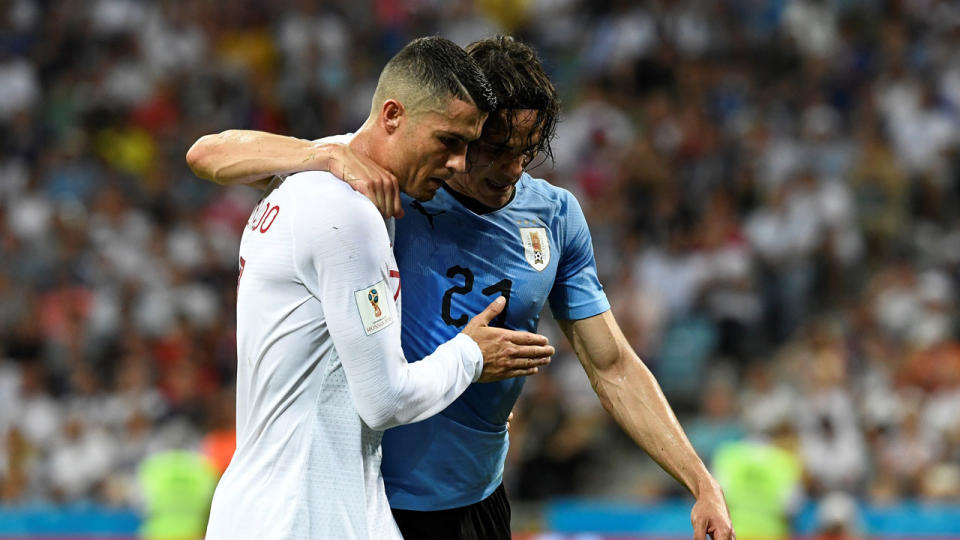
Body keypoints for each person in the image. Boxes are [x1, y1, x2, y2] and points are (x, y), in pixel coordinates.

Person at [188, 36, 733, 540]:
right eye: (493, 148)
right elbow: (209, 153)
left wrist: (699, 480)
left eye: (528, 149)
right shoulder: (391, 182)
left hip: (478, 498)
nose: (511, 169)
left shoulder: (554, 216)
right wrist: (324, 154)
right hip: (376, 495)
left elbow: (612, 365)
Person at [194, 37, 555, 540]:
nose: (458, 163)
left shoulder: (314, 185)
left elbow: (207, 152)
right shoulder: (345, 211)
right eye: (448, 141)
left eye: (468, 146)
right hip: (301, 516)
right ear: (392, 116)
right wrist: (471, 356)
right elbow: (384, 400)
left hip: (300, 504)